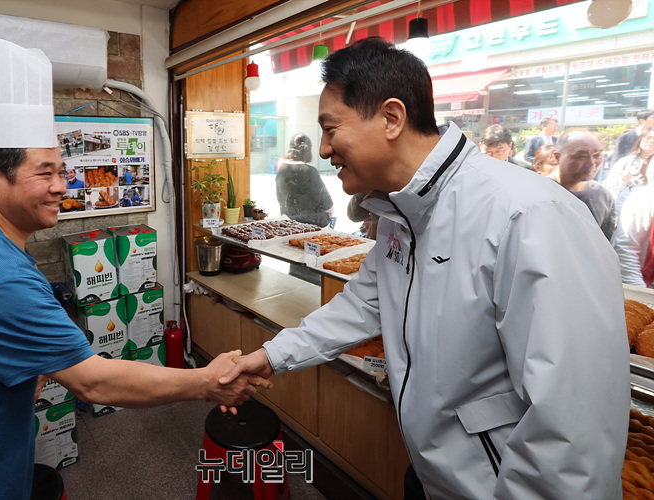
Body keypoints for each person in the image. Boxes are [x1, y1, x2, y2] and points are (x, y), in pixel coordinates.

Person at [0, 38, 268, 500]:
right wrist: (208, 381)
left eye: (62, 170)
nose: (62, 186)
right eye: (45, 172)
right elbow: (93, 381)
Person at [220, 37, 628, 500]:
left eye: (331, 129)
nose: (324, 148)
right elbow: (363, 303)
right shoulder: (401, 214)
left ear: (392, 118)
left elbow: (573, 423)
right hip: (432, 474)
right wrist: (270, 355)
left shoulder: (528, 214)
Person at [550, 130, 616, 241]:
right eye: (582, 156)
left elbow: (605, 244)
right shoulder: (537, 191)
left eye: (597, 155)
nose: (591, 162)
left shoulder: (602, 195)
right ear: (557, 157)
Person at [275, 133, 334, 228]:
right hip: (313, 226)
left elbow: (280, 199)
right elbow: (327, 204)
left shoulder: (282, 171)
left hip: (288, 224)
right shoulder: (309, 171)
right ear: (308, 150)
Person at [604, 127, 654, 218]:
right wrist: (623, 180)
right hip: (624, 208)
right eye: (648, 138)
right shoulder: (626, 162)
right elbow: (609, 185)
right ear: (640, 140)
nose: (651, 141)